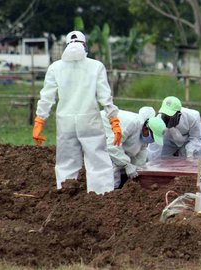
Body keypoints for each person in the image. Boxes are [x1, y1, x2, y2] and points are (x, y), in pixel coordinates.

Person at [32, 30, 122, 194]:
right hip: (90, 120)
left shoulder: (55, 68)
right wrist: (114, 121)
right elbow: (105, 97)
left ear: (66, 46)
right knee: (97, 160)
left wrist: (39, 121)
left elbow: (46, 98)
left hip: (65, 122)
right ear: (85, 45)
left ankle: (65, 193)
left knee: (66, 161)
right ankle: (100, 195)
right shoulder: (96, 66)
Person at [101, 107, 166, 189]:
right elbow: (111, 146)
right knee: (112, 165)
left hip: (110, 138)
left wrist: (139, 170)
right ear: (146, 129)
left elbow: (140, 154)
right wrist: (126, 165)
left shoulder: (143, 135)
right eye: (153, 137)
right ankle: (107, 192)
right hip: (97, 129)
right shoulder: (131, 124)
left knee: (122, 158)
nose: (152, 140)